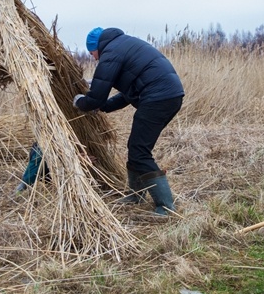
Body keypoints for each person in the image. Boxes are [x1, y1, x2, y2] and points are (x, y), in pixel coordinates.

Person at [73, 27, 185, 216]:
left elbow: (96, 97)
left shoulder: (110, 53)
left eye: (92, 53)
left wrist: (81, 102)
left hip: (158, 98)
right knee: (136, 147)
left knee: (139, 151)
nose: (93, 58)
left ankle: (165, 207)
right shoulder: (123, 45)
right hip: (169, 95)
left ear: (96, 47)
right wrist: (104, 106)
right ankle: (135, 196)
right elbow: (128, 94)